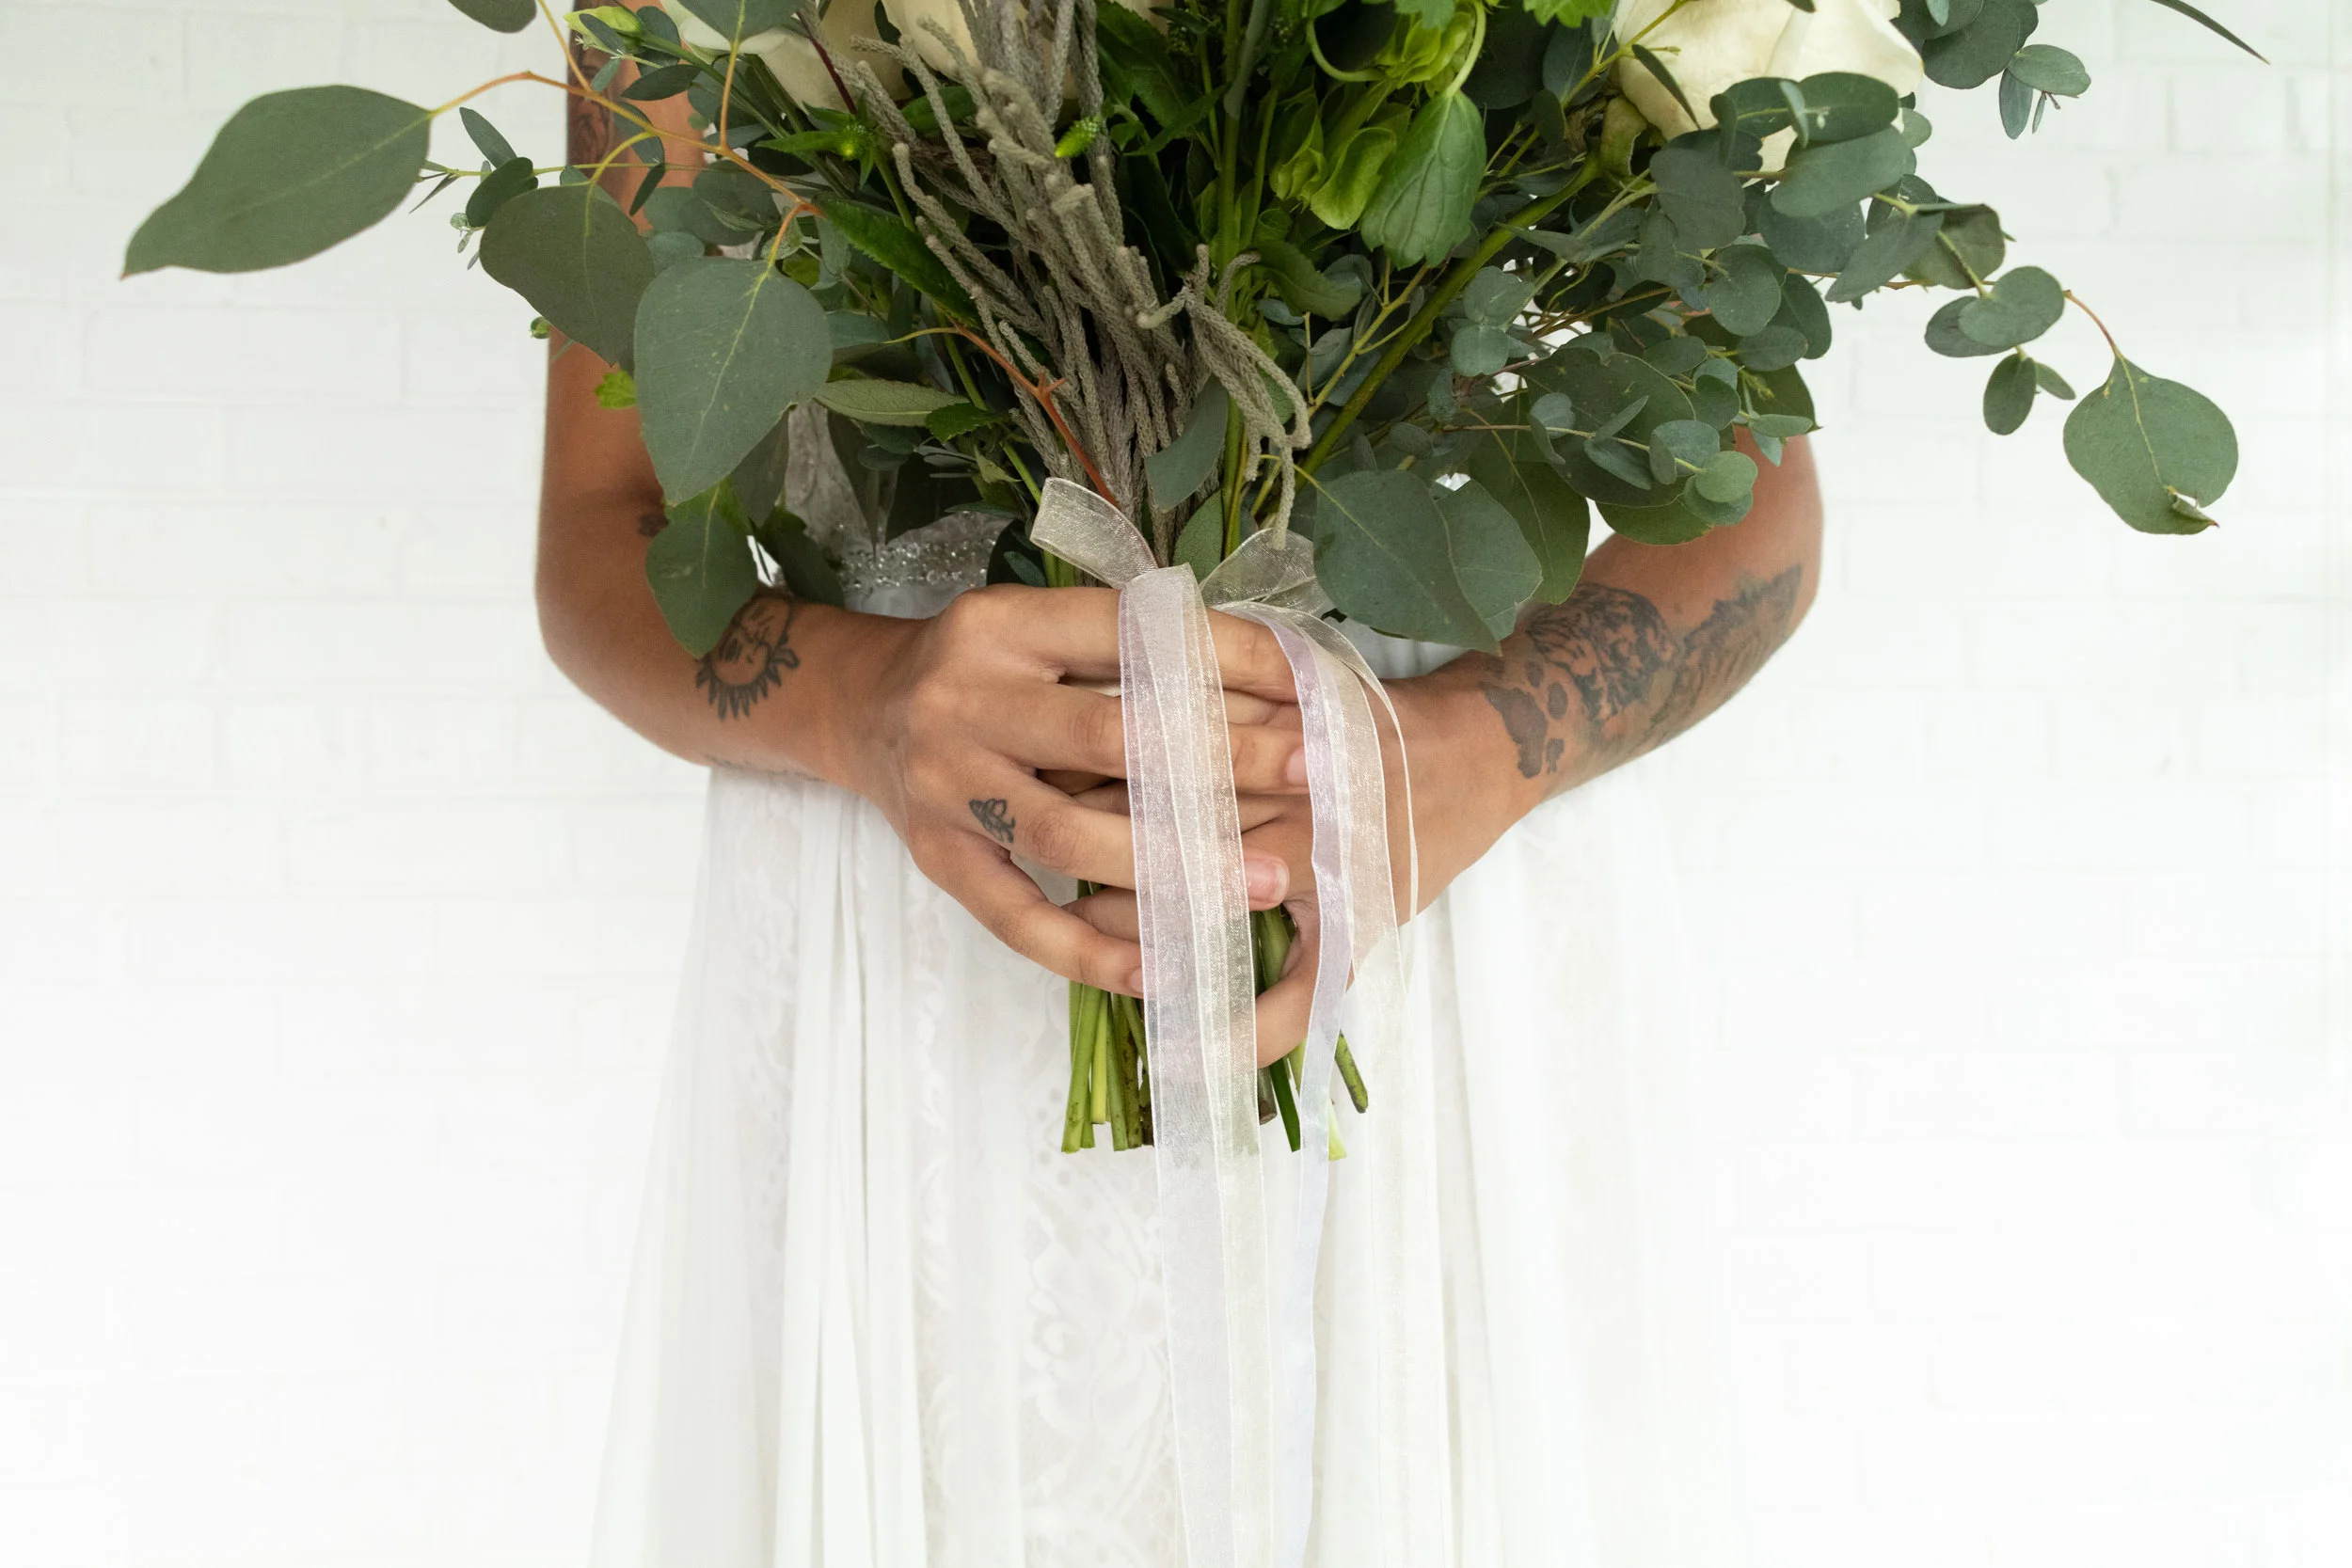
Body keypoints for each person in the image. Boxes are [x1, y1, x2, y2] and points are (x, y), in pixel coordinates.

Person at [551, 69, 1820, 1568]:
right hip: (921, 898)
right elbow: (598, 536)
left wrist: (1462, 756)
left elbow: (1755, 508)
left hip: (1420, 864)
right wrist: (863, 701)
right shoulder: (685, 39)